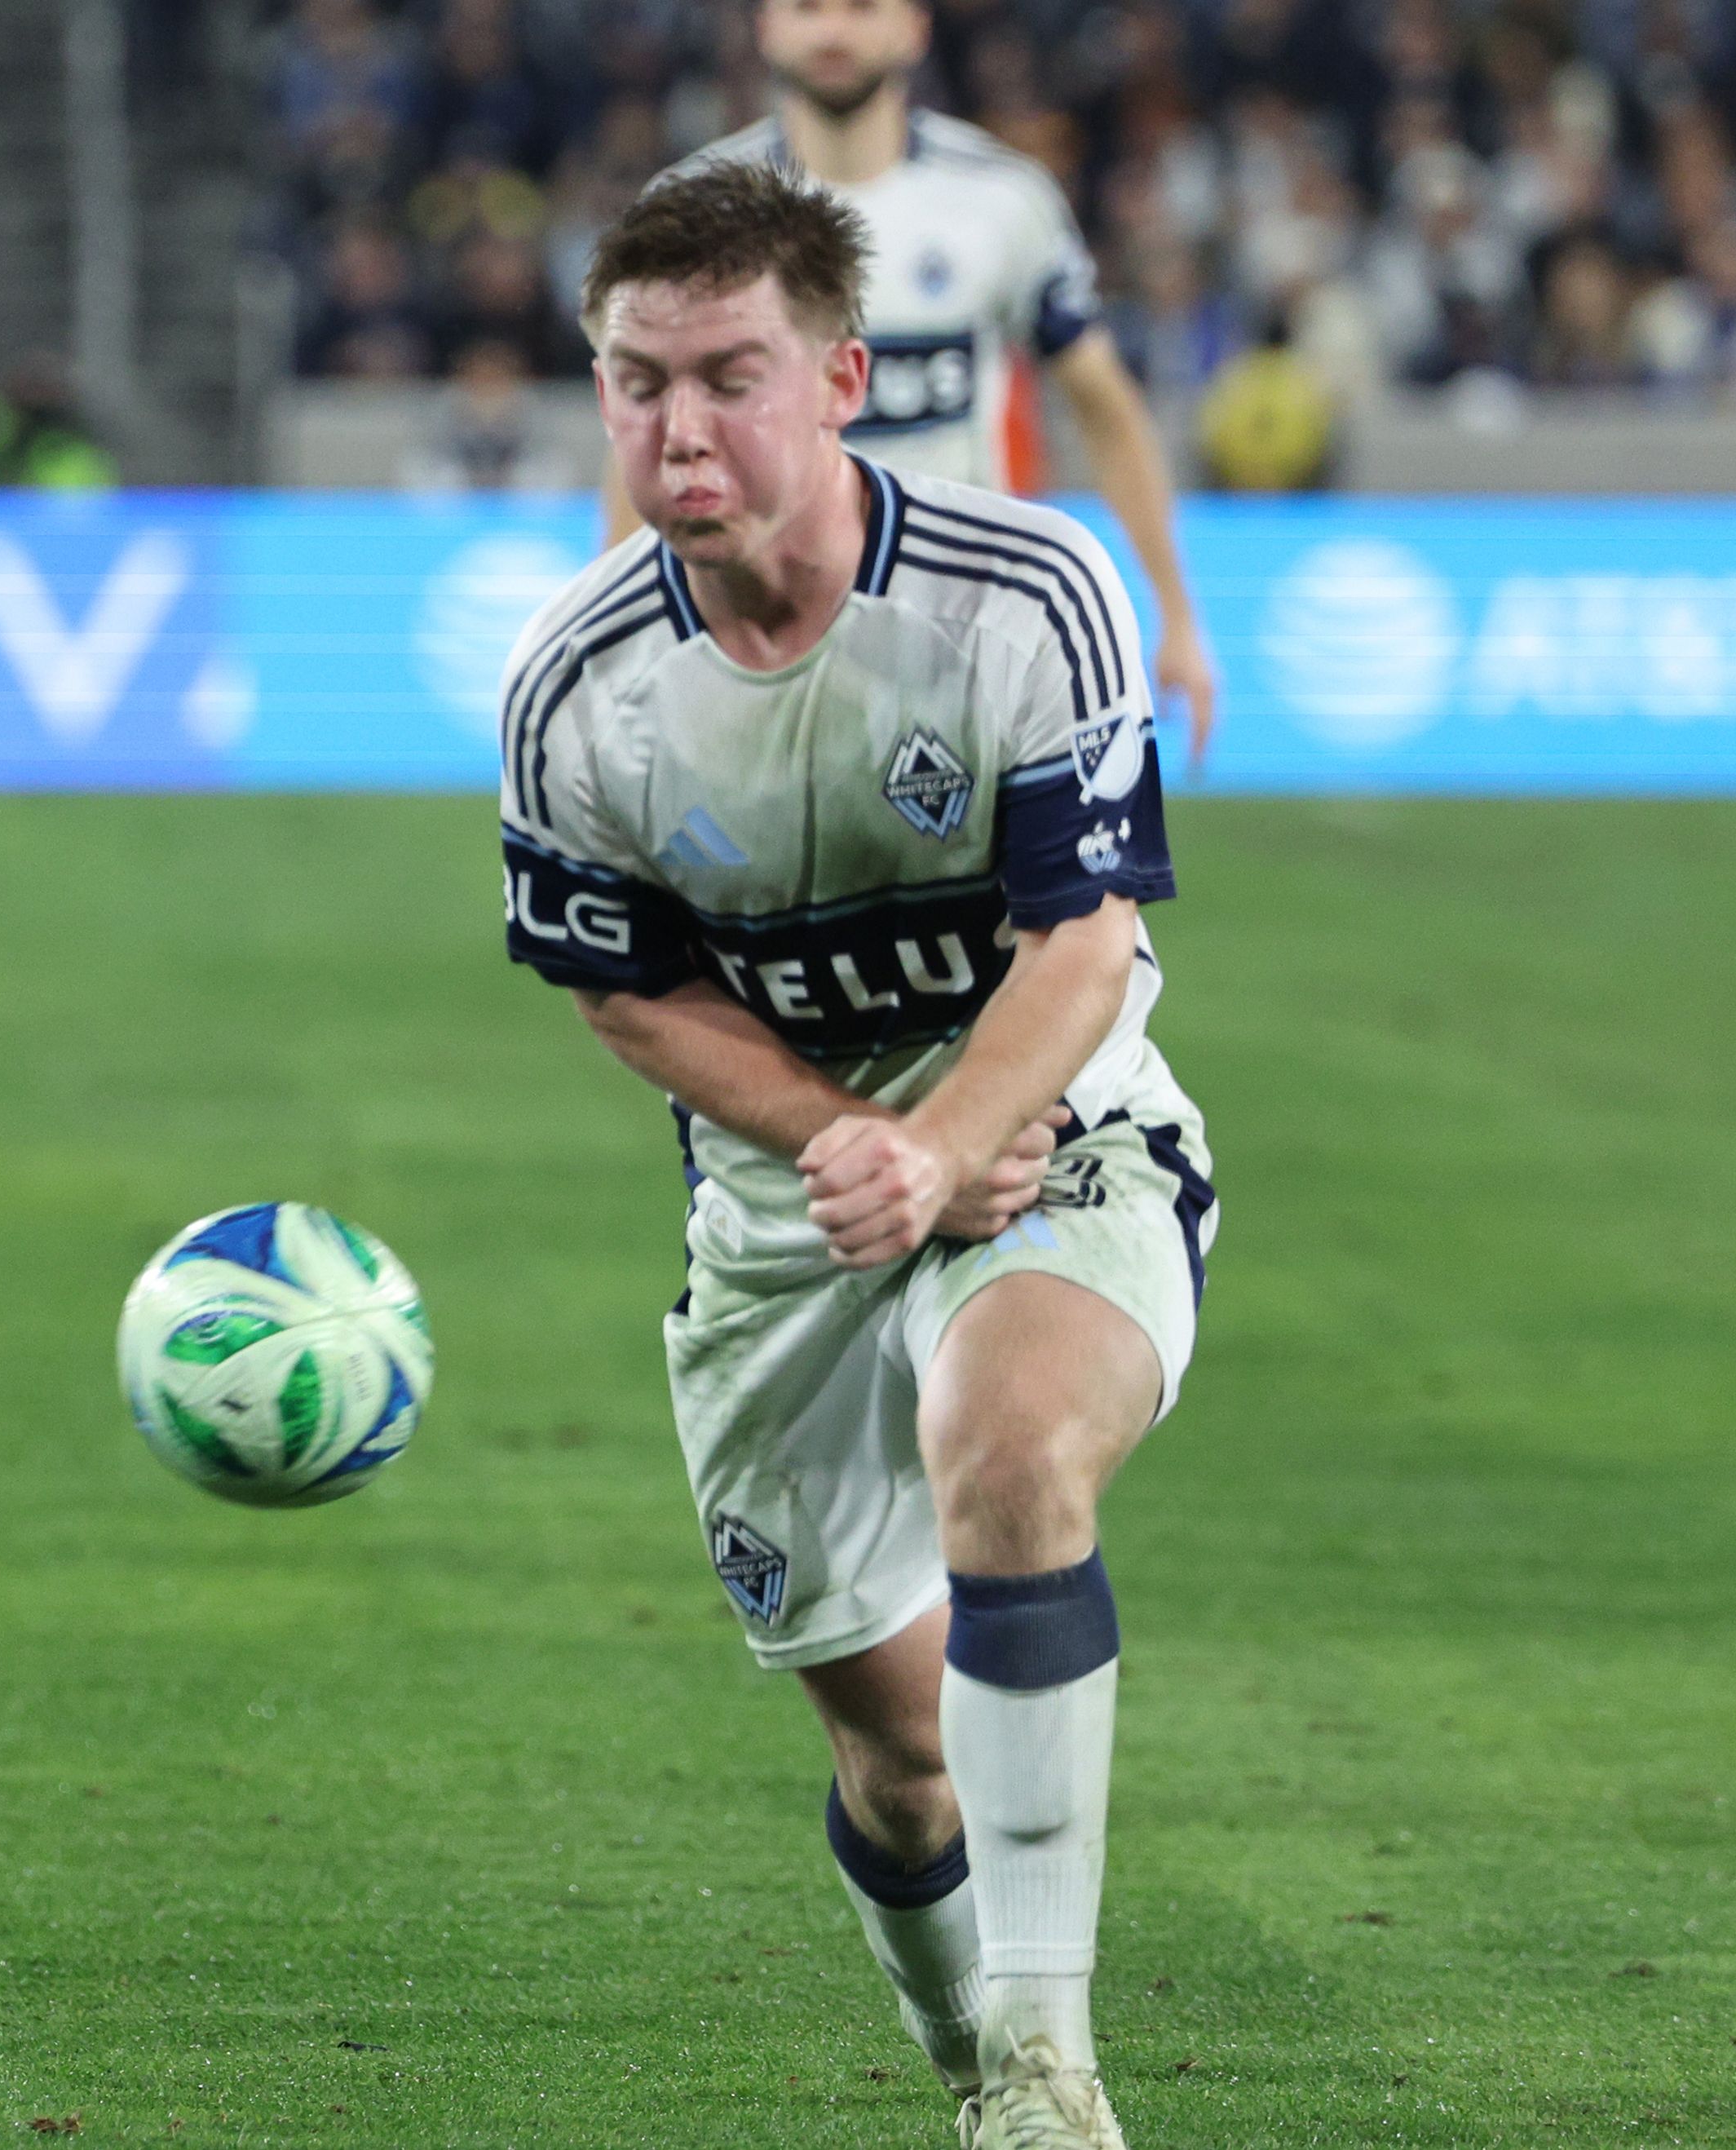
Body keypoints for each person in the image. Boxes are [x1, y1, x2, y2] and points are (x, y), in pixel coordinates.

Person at [505, 161, 1215, 2148]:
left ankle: (1048, 2071)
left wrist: (949, 1137)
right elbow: (624, 989)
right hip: (777, 1215)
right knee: (900, 1759)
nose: (677, 430)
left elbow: (1084, 941)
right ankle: (976, 2066)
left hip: (1050, 1128)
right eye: (636, 382)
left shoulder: (1025, 590)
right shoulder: (571, 686)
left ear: (838, 378)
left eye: (727, 378)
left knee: (1012, 1450)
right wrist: (856, 1142)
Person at [603, 0, 1219, 764]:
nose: (834, 31)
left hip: (960, 655)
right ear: (766, 27)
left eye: (863, 7)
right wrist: (622, 641)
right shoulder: (697, 210)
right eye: (807, 8)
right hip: (756, 656)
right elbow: (646, 438)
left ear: (914, 27)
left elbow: (1105, 407)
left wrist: (1177, 617)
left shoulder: (1003, 200)